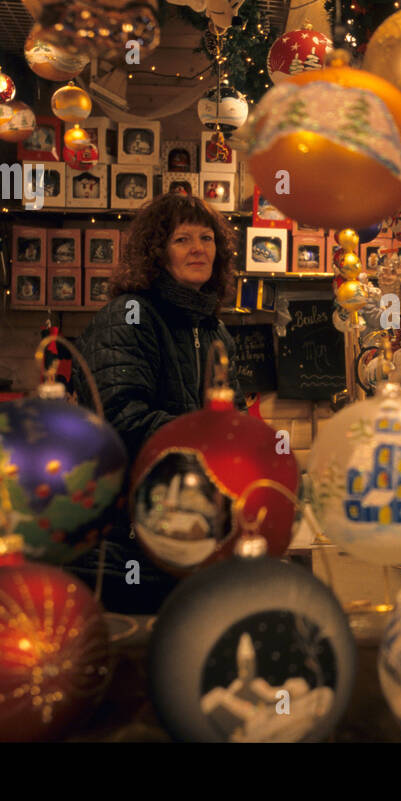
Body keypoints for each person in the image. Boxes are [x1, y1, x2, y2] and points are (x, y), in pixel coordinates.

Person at [68, 194, 245, 610]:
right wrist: (210, 444)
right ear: (157, 254)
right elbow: (121, 418)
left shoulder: (215, 330)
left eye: (206, 238)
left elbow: (231, 421)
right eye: (182, 239)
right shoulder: (129, 316)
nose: (199, 248)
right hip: (125, 544)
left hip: (191, 537)